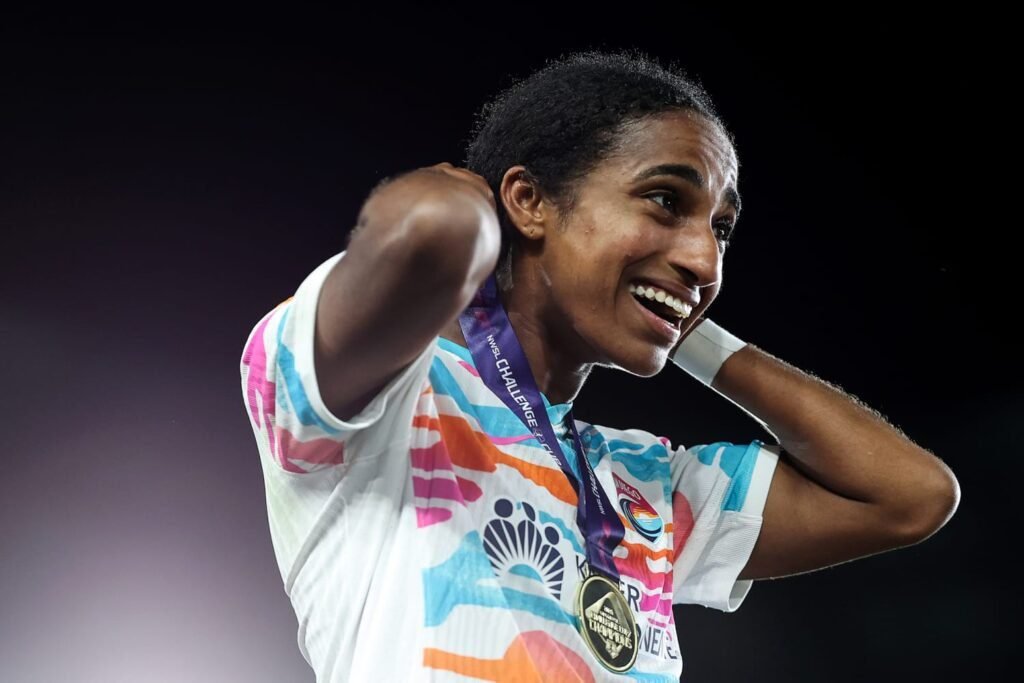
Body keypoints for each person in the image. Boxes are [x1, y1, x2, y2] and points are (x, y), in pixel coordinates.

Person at [239, 48, 959, 682]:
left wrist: (685, 323)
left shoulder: (643, 483)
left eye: (720, 229)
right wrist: (467, 201)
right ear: (527, 201)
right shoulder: (382, 404)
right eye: (665, 201)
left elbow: (911, 495)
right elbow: (432, 228)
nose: (706, 260)